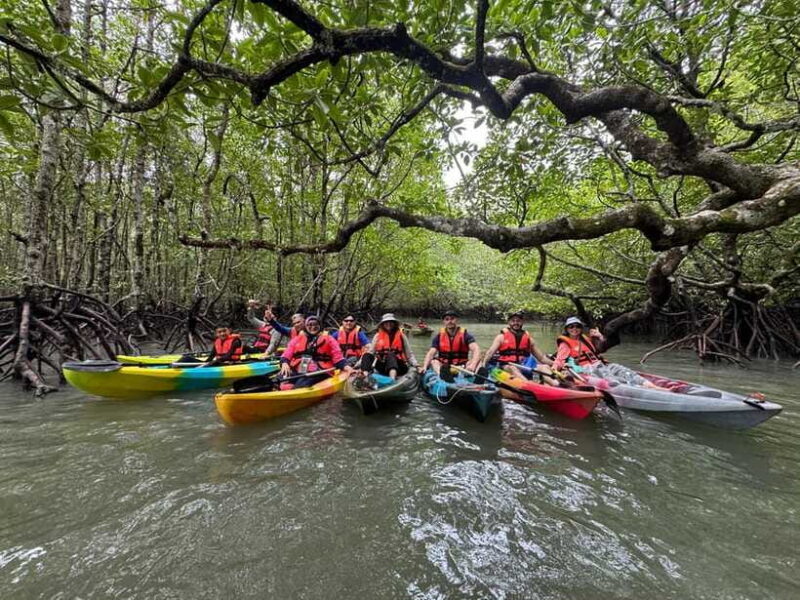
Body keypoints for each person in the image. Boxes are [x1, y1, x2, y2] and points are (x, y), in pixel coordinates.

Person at [552, 316, 660, 388]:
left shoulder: (585, 339)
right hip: (585, 370)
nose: (574, 329)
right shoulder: (565, 344)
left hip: (600, 365)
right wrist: (554, 370)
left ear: (581, 328)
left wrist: (599, 336)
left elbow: (602, 347)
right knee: (608, 376)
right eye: (571, 326)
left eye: (577, 326)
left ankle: (654, 387)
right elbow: (559, 360)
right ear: (567, 329)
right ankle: (636, 388)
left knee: (621, 369)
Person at [279, 315, 353, 388]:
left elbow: (338, 358)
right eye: (310, 325)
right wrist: (285, 362)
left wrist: (347, 368)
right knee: (280, 378)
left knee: (301, 383)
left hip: (321, 371)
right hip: (302, 368)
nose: (313, 327)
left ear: (320, 325)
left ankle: (293, 391)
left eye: (316, 325)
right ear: (305, 326)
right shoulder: (298, 338)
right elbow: (287, 353)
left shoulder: (329, 339)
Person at [482, 312, 555, 381]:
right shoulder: (501, 337)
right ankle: (528, 385)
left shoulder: (529, 339)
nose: (516, 323)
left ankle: (556, 385)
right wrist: (483, 366)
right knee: (513, 368)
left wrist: (556, 364)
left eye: (518, 321)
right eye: (513, 321)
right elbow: (490, 353)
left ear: (522, 322)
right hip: (507, 366)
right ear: (509, 322)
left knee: (544, 367)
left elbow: (542, 358)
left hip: (524, 365)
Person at [419, 310, 481, 376]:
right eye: (447, 319)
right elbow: (431, 353)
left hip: (462, 366)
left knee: (479, 362)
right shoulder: (439, 337)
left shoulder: (466, 335)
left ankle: (476, 378)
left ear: (457, 320)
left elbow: (476, 349)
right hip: (444, 366)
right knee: (434, 362)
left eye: (452, 319)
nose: (450, 321)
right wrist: (425, 367)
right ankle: (442, 375)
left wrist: (473, 365)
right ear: (444, 322)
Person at [364, 313, 418, 380]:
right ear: (383, 324)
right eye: (386, 322)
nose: (388, 324)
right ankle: (365, 376)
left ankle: (392, 379)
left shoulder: (401, 336)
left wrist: (416, 365)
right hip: (383, 366)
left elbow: (409, 354)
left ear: (394, 323)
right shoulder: (377, 336)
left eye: (391, 322)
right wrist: (358, 365)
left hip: (398, 366)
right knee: (367, 355)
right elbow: (371, 352)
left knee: (390, 354)